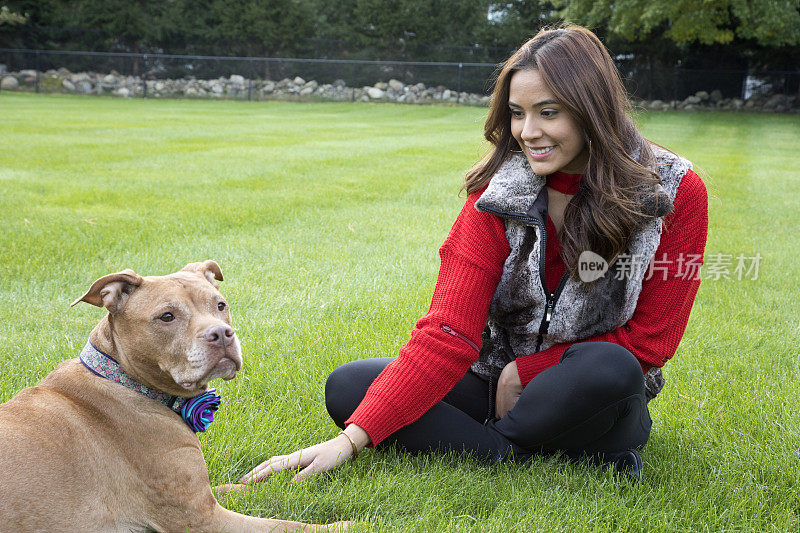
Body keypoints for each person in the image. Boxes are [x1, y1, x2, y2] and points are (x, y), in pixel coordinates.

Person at [240, 24, 708, 484]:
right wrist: (349, 441)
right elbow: (448, 331)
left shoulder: (674, 191)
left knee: (610, 368)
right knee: (349, 388)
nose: (528, 132)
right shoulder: (496, 193)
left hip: (588, 391)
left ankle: (510, 443)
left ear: (592, 110)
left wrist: (525, 371)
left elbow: (651, 344)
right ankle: (518, 454)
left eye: (548, 112)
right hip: (490, 384)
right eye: (517, 113)